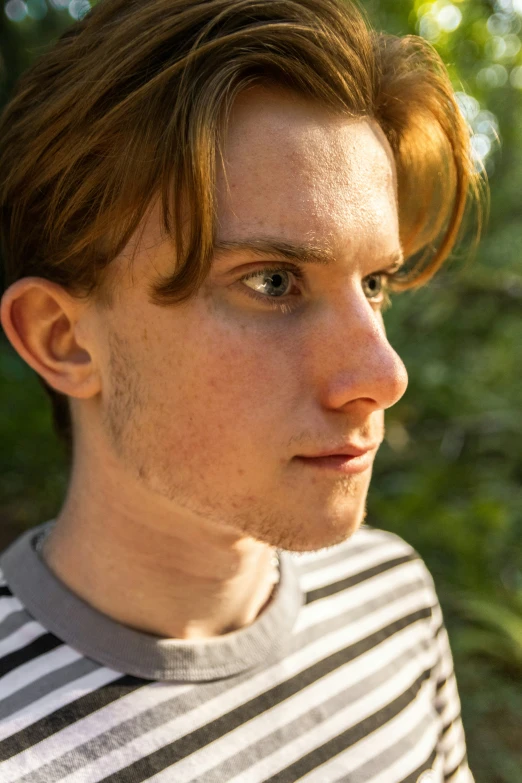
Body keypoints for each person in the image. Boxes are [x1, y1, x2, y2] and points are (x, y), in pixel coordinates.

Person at [0, 0, 481, 780]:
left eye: (376, 281)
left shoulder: (392, 594)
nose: (384, 375)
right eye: (273, 281)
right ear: (62, 338)